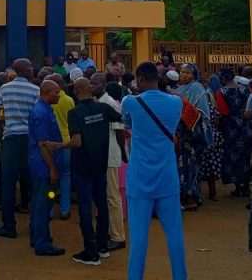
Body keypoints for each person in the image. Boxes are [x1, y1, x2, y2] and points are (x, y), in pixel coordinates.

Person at [121, 62, 186, 280]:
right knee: (175, 235)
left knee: (138, 238)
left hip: (139, 178)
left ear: (140, 79)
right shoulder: (176, 102)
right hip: (167, 177)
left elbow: (127, 123)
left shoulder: (130, 101)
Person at [54, 77, 122, 265]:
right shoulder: (103, 108)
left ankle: (90, 252)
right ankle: (102, 246)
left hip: (83, 167)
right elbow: (121, 117)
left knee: (85, 208)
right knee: (102, 204)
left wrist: (57, 145)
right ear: (90, 90)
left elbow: (76, 141)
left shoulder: (75, 113)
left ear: (75, 92)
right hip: (100, 165)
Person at [0, 58, 39, 239]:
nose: (32, 69)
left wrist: (1, 134)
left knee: (8, 183)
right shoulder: (35, 90)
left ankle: (9, 225)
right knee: (32, 181)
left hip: (10, 139)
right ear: (22, 70)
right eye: (30, 67)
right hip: (28, 139)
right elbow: (36, 116)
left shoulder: (5, 88)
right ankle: (35, 226)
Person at [26, 80, 66, 257]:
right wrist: (53, 169)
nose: (59, 95)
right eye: (57, 92)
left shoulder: (42, 109)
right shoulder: (42, 113)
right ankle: (42, 243)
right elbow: (43, 145)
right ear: (48, 92)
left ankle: (37, 236)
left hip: (39, 165)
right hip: (44, 167)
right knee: (44, 203)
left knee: (38, 202)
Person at [91, 72, 127, 251]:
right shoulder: (98, 103)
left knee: (113, 196)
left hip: (110, 155)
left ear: (103, 85)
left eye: (95, 83)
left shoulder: (109, 103)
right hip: (101, 155)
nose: (92, 86)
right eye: (90, 83)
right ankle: (109, 233)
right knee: (105, 196)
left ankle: (118, 236)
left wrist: (123, 154)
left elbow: (119, 131)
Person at [174, 63, 211, 210]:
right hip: (179, 136)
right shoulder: (178, 89)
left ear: (194, 75)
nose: (184, 75)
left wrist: (185, 112)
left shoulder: (197, 88)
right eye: (182, 72)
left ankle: (191, 198)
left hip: (191, 136)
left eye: (187, 73)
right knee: (180, 167)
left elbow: (202, 112)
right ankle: (183, 197)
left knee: (190, 167)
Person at [219, 68, 252, 197]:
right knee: (246, 154)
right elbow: (250, 106)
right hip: (246, 124)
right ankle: (246, 186)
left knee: (233, 155)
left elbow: (223, 112)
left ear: (223, 79)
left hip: (231, 126)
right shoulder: (245, 89)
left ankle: (238, 186)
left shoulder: (221, 92)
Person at [47, 72, 74, 220]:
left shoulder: (47, 100)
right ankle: (65, 209)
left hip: (50, 144)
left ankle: (49, 209)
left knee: (51, 178)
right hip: (66, 142)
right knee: (65, 176)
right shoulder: (68, 100)